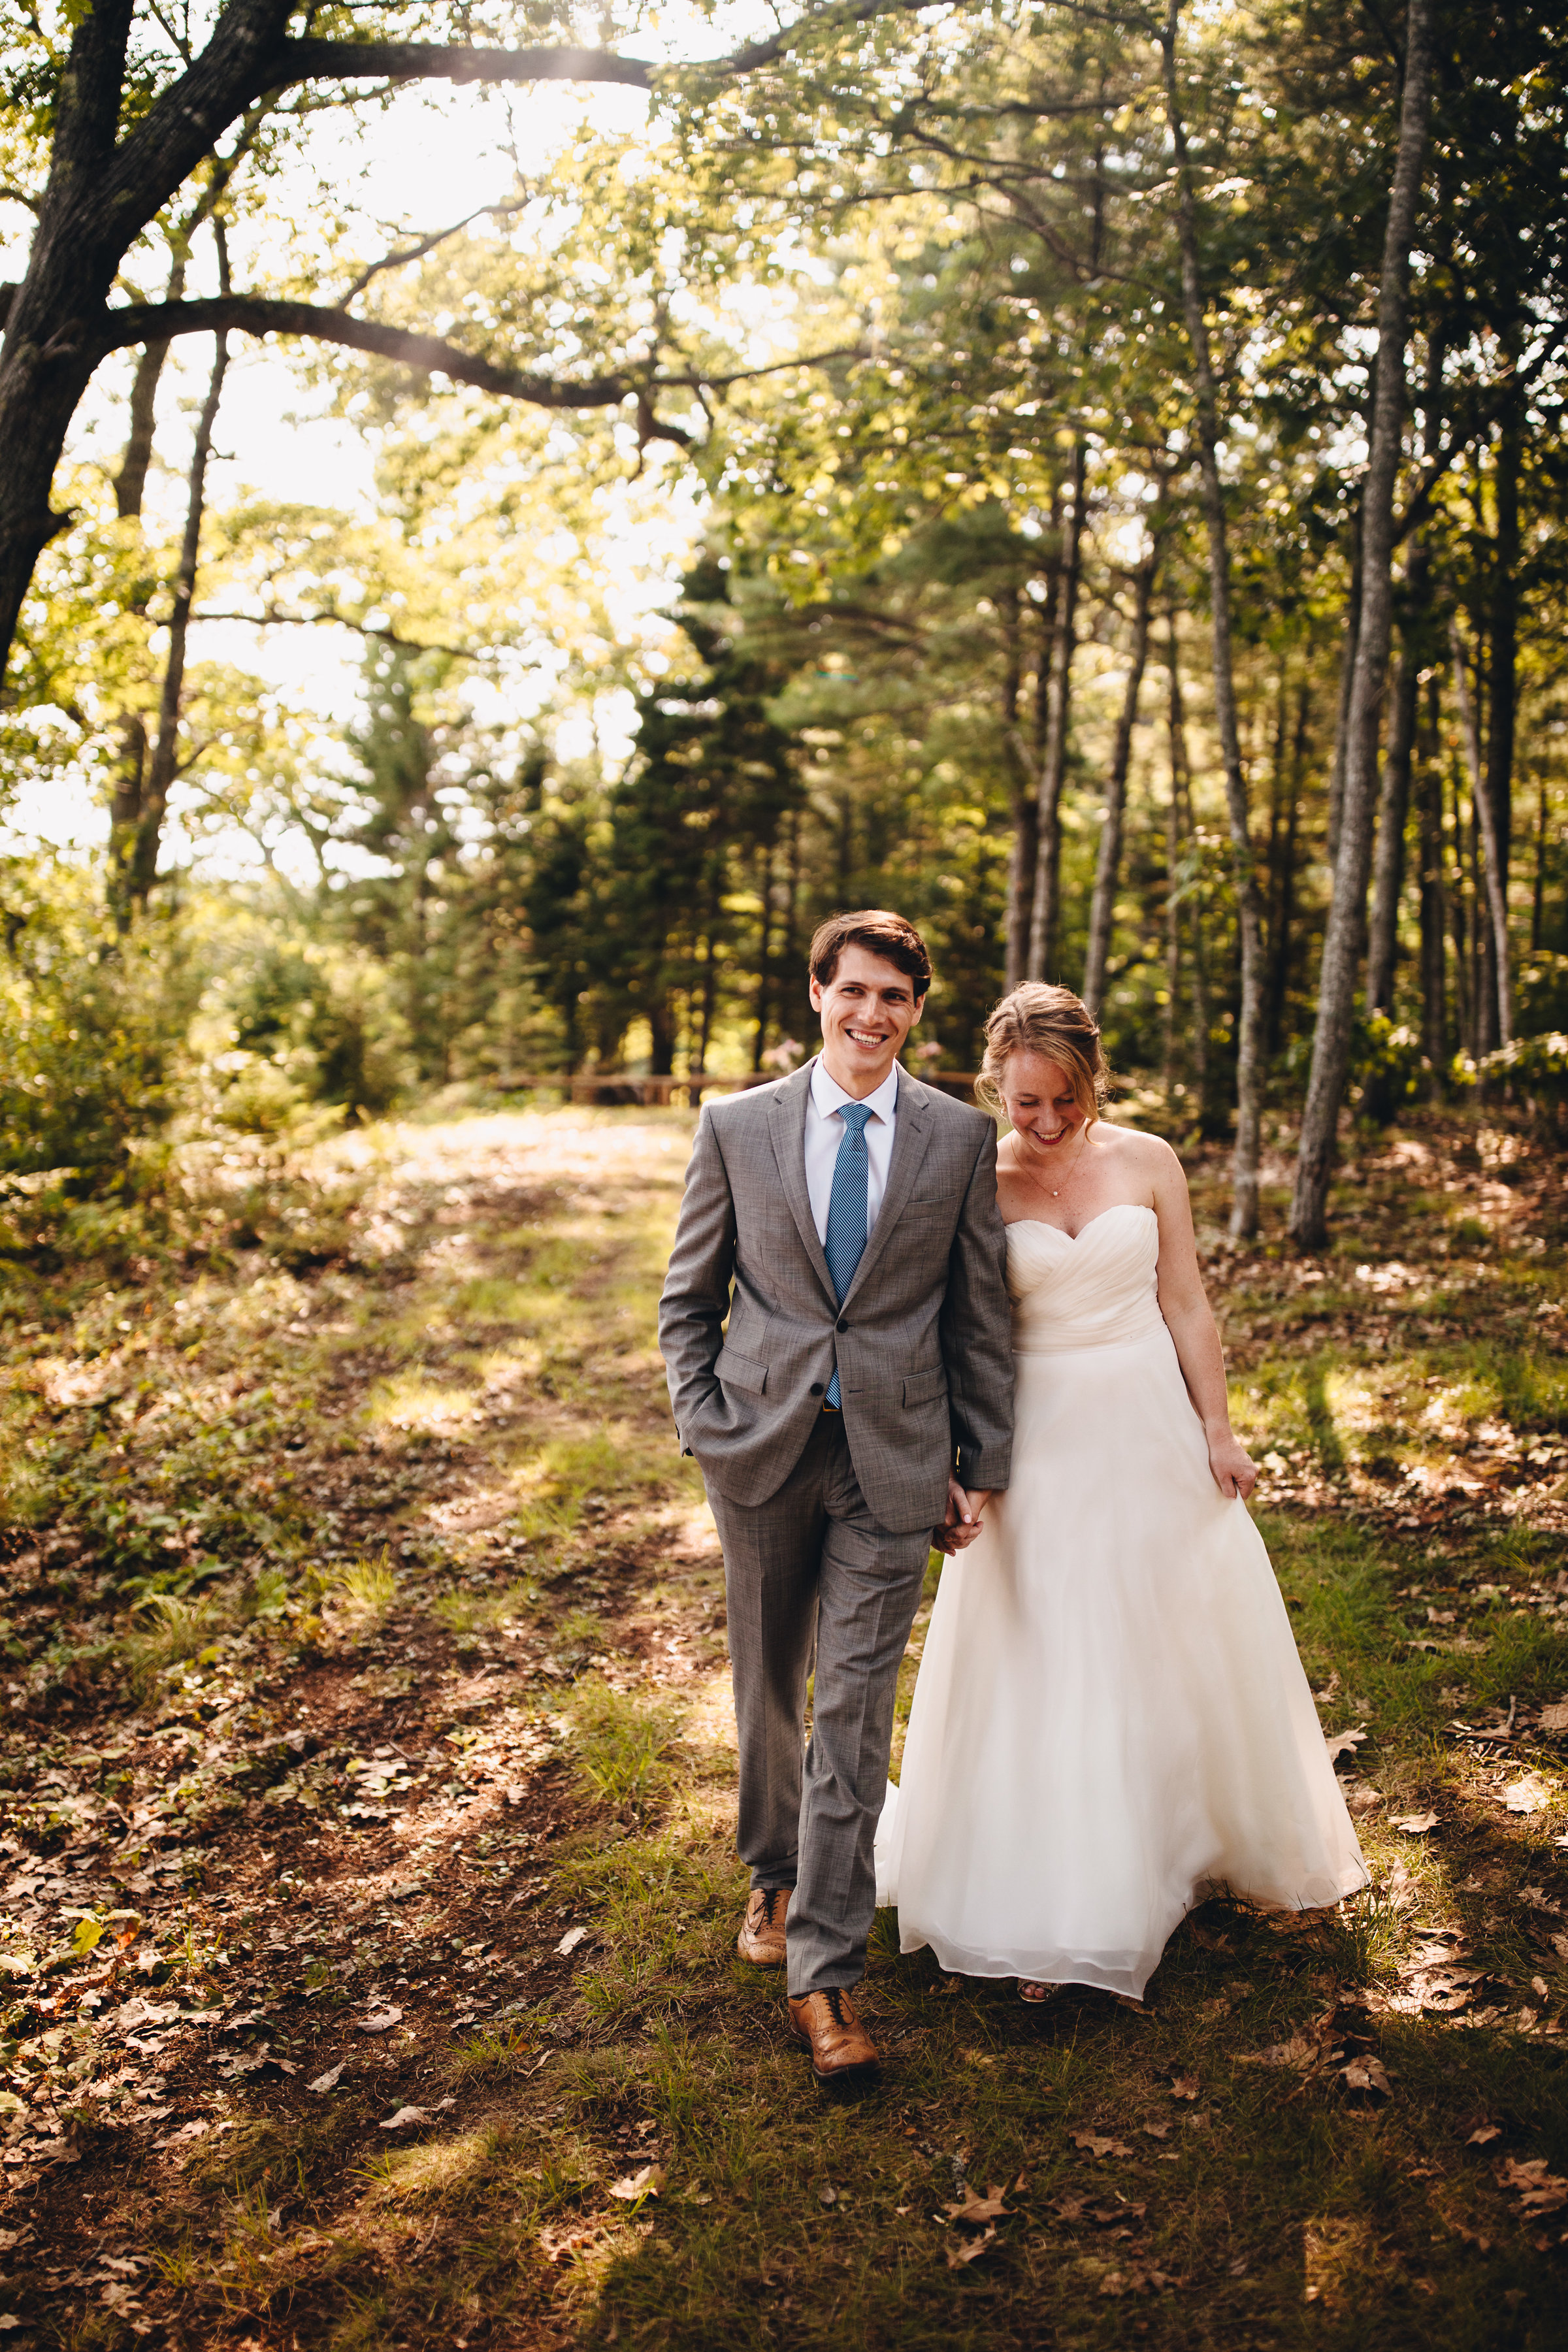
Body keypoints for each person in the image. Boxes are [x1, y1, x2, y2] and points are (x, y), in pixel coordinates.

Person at [877, 982, 1367, 2002]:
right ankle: (1056, 1892)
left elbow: (1184, 1300)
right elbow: (956, 1330)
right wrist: (962, 1462)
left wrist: (1217, 1431)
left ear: (1091, 1080)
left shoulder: (1148, 1161)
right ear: (996, 1091)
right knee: (1051, 1641)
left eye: (1064, 1099)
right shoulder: (975, 1172)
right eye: (1025, 1105)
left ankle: (1180, 1843)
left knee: (1163, 1631)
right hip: (1037, 1434)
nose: (1047, 1123)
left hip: (1147, 1420)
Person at [658, 911, 1015, 2080]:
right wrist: (705, 1423)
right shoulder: (737, 1126)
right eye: (854, 992)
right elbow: (688, 1296)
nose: (873, 1016)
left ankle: (826, 1976)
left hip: (893, 1459)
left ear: (918, 1012)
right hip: (759, 1446)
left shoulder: (958, 1138)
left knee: (855, 1709)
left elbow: (978, 1313)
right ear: (817, 994)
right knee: (768, 1681)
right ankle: (771, 1870)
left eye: (896, 1000)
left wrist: (982, 1461)